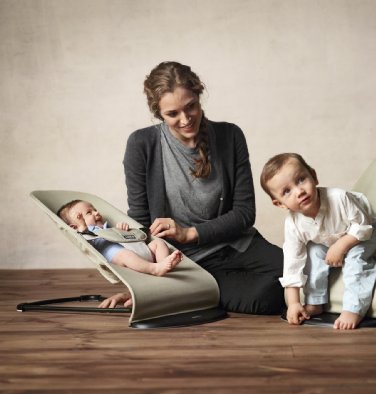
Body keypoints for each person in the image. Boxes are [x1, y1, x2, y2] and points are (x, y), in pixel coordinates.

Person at [99, 61, 285, 313]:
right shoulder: (141, 145)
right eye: (172, 114)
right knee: (267, 295)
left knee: (307, 273)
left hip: (239, 245)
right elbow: (140, 224)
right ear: (159, 114)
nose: (186, 119)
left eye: (191, 107)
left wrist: (189, 233)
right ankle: (186, 289)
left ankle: (188, 293)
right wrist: (140, 285)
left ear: (199, 97)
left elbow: (244, 213)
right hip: (188, 262)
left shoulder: (230, 136)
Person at [260, 153, 376, 330]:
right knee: (313, 253)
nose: (299, 191)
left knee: (356, 259)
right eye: (287, 191)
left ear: (314, 176)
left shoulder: (339, 198)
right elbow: (293, 262)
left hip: (361, 230)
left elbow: (363, 226)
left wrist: (342, 245)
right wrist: (293, 303)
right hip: (329, 237)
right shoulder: (293, 223)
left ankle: (354, 308)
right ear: (280, 203)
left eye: (301, 180)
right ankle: (315, 302)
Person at [57, 199, 183, 276]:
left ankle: (163, 263)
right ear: (74, 226)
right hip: (122, 259)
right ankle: (155, 269)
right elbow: (82, 235)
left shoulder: (108, 228)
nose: (96, 212)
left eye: (95, 209)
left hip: (141, 251)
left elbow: (126, 238)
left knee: (158, 243)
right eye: (89, 212)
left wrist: (122, 229)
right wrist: (80, 226)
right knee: (125, 254)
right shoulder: (88, 235)